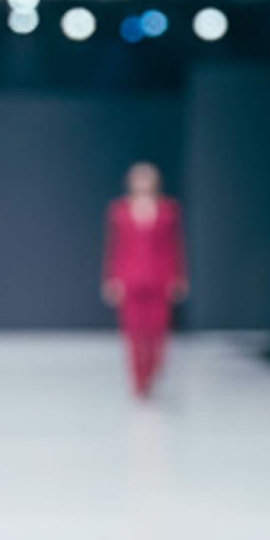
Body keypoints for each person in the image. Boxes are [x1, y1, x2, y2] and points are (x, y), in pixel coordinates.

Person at [103, 162, 187, 400]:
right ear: (130, 182)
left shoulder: (168, 210)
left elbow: (174, 246)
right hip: (129, 277)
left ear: (155, 182)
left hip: (159, 276)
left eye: (147, 178)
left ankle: (153, 369)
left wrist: (178, 277)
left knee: (157, 329)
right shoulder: (119, 210)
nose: (142, 183)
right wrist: (112, 278)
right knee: (132, 331)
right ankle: (138, 379)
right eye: (138, 179)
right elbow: (114, 247)